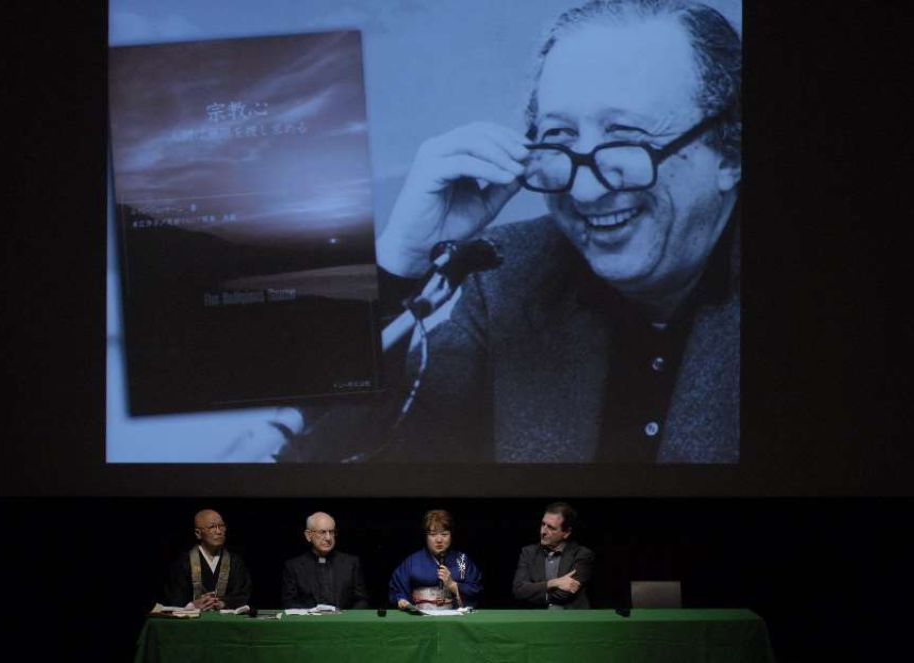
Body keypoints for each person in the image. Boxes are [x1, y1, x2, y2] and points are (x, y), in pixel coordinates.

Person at [282, 0, 740, 464]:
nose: (583, 190)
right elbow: (324, 453)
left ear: (730, 153)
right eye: (558, 138)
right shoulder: (507, 276)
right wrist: (401, 261)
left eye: (624, 139)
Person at [389, 510, 482, 609]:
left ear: (451, 536)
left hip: (454, 618)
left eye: (444, 534)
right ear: (426, 536)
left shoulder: (462, 561)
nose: (439, 540)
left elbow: (476, 589)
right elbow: (397, 589)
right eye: (433, 535)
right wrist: (401, 599)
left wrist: (453, 585)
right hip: (420, 618)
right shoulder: (412, 561)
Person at [162, 509, 252, 610]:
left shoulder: (235, 561)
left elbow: (242, 594)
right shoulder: (183, 562)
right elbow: (174, 597)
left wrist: (222, 603)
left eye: (221, 526)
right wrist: (193, 605)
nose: (218, 531)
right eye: (212, 527)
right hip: (192, 622)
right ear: (198, 533)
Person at [281, 511, 370, 609]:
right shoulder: (294, 566)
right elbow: (289, 602)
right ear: (308, 535)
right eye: (322, 532)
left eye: (331, 532)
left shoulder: (351, 563)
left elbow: (361, 600)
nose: (328, 538)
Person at [513, 502, 594, 609]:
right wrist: (553, 583)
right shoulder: (529, 552)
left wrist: (536, 592)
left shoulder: (582, 555)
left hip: (571, 618)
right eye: (543, 524)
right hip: (538, 619)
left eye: (551, 528)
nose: (543, 531)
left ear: (566, 533)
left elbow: (566, 594)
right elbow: (519, 590)